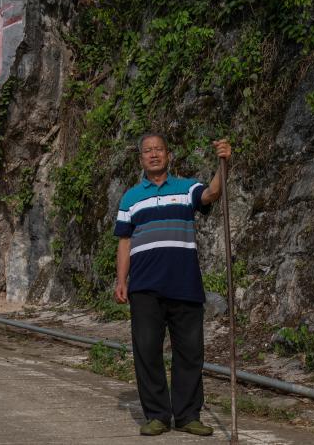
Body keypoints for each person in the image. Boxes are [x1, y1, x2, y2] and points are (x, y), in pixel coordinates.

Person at [113, 133, 231, 437]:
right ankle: (157, 416)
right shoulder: (130, 198)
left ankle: (188, 415)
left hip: (185, 284)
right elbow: (125, 242)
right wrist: (120, 280)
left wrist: (224, 164)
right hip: (144, 287)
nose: (153, 155)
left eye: (159, 150)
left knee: (190, 352)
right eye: (148, 151)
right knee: (147, 350)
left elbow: (212, 195)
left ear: (168, 155)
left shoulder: (186, 187)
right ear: (141, 159)